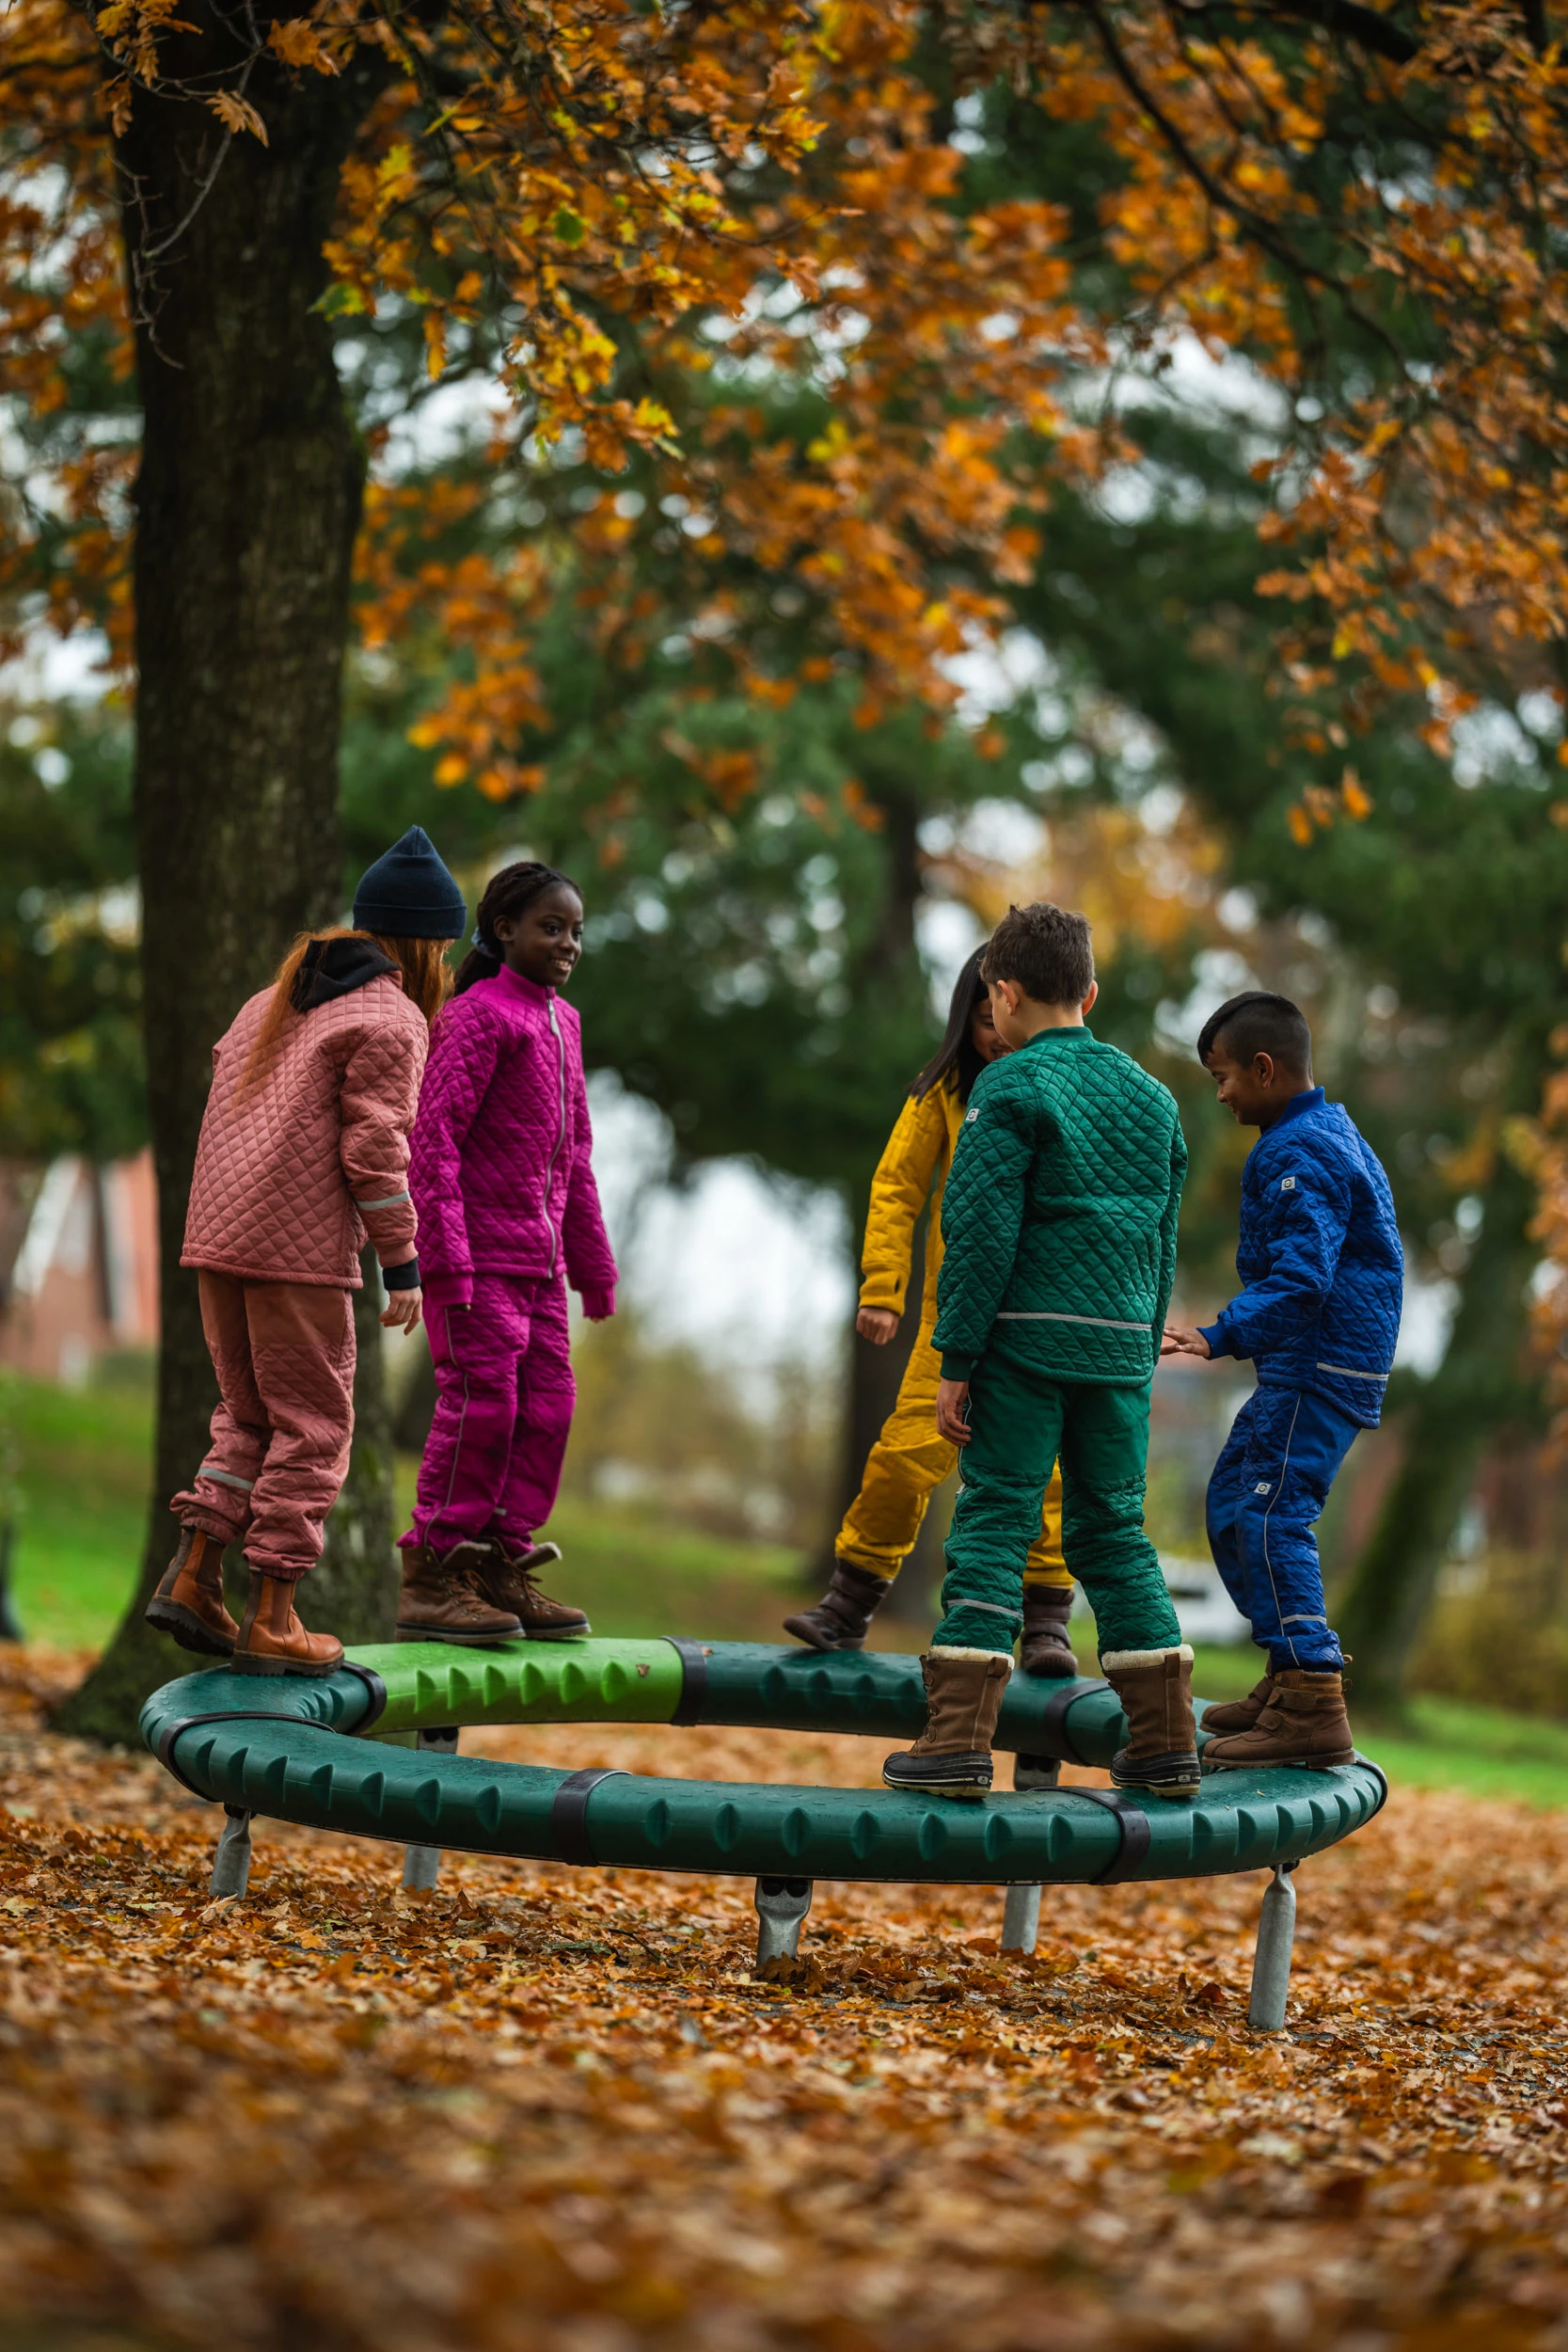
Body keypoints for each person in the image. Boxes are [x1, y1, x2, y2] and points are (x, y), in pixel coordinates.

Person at [882, 901, 1195, 1802]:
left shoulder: (1008, 1088)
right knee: (1112, 1533)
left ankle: (953, 1742)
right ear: (1089, 994)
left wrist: (955, 1359)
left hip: (1021, 1348)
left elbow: (977, 1237)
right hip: (1118, 1358)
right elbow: (1162, 1243)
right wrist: (1138, 1347)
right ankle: (1168, 1742)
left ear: (1003, 992)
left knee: (993, 1522)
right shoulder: (1153, 1097)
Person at [146, 825, 465, 1676]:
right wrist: (403, 1262)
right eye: (443, 943)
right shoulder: (392, 1016)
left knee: (246, 1418)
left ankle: (195, 1578)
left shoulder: (272, 999)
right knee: (315, 1428)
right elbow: (375, 1149)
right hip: (297, 1254)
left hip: (218, 1239)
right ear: (423, 940)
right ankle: (274, 1614)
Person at [784, 946, 1075, 1671]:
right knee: (902, 1460)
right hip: (955, 1327)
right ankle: (849, 1603)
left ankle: (1045, 1625)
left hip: (1045, 1323)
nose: (996, 1035)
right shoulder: (945, 1092)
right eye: (981, 1020)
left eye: (1003, 1017)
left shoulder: (1070, 1089)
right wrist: (884, 1289)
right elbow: (895, 1189)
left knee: (1049, 1476)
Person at [1163, 991, 1402, 1770]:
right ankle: (1287, 1670)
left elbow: (1303, 1279)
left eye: (1224, 1076)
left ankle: (1312, 1697)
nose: (1222, 1093)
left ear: (1264, 1069)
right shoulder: (1321, 1134)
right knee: (1234, 1503)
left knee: (1269, 1517)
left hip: (1315, 1365)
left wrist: (1218, 1332)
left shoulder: (1301, 1152)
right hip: (1314, 1364)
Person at [396, 859, 618, 1645]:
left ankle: (497, 1562)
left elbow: (577, 1156)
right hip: (477, 1261)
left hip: (540, 1266)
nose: (567, 944)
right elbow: (435, 1143)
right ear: (503, 931)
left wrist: (592, 1265)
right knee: (481, 1407)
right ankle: (432, 1567)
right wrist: (444, 1259)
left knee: (549, 1408)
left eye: (576, 931)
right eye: (551, 927)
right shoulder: (478, 1016)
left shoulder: (564, 1022)